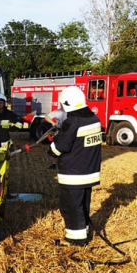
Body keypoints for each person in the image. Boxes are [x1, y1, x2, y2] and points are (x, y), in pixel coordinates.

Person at [49, 86, 103, 246]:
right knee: (83, 204)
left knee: (71, 206)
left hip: (73, 174)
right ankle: (84, 231)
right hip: (90, 172)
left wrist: (53, 143)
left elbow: (59, 148)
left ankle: (76, 240)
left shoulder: (72, 122)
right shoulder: (94, 119)